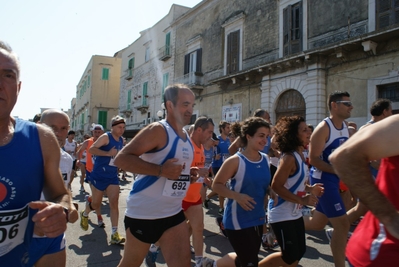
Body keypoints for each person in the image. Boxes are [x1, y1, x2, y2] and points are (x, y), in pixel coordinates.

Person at [0, 40, 77, 266]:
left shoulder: (41, 138)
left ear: (18, 87)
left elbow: (59, 194)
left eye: (8, 75)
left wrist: (61, 211)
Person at [114, 84, 196, 267]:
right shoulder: (158, 130)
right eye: (185, 104)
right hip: (145, 213)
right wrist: (160, 170)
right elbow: (121, 159)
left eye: (192, 105)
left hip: (173, 212)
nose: (190, 110)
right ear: (169, 106)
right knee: (130, 263)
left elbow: (172, 169)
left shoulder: (185, 135)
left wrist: (187, 175)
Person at [329, 114, 399, 266]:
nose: (351, 107)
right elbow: (344, 156)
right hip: (383, 253)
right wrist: (389, 217)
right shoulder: (396, 125)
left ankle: (339, 227)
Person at [207, 117, 272, 267]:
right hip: (237, 220)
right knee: (250, 262)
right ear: (248, 136)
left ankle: (213, 265)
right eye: (261, 136)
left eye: (267, 136)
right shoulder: (236, 161)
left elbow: (262, 183)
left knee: (246, 259)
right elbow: (216, 185)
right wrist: (237, 196)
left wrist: (270, 190)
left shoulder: (265, 159)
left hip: (257, 218)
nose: (265, 140)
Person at [259, 116, 323, 267]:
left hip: (295, 212)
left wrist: (310, 189)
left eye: (308, 129)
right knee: (290, 255)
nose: (309, 132)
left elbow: (295, 183)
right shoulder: (289, 157)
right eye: (304, 130)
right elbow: (276, 186)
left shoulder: (301, 155)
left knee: (299, 252)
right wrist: (303, 200)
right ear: (294, 135)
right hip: (281, 214)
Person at [305, 91, 353, 267]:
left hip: (335, 178)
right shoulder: (323, 128)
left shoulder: (346, 127)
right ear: (334, 105)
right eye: (347, 104)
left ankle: (284, 221)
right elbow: (314, 159)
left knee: (317, 224)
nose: (351, 107)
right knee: (342, 224)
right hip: (323, 181)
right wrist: (337, 170)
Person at [28, 109, 77, 267]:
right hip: (21, 237)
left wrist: (68, 207)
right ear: (39, 126)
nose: (58, 133)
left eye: (63, 128)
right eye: (53, 127)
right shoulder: (20, 154)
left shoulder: (67, 159)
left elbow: (64, 190)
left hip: (53, 237)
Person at [80, 116, 126, 245]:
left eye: (123, 127)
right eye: (119, 127)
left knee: (114, 203)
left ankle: (115, 233)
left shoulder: (121, 140)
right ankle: (85, 213)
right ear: (113, 127)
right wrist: (107, 153)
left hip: (112, 176)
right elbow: (91, 149)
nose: (121, 130)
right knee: (96, 204)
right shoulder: (106, 137)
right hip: (99, 175)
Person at [76, 125, 104, 227]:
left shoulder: (105, 142)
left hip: (102, 172)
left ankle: (89, 199)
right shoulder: (88, 142)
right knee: (97, 196)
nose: (97, 134)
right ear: (92, 133)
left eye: (99, 132)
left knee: (99, 195)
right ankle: (99, 218)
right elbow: (79, 151)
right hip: (91, 171)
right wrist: (79, 159)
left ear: (102, 132)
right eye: (95, 132)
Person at [209, 120, 231, 214]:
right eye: (227, 128)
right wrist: (214, 156)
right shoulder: (217, 140)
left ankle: (207, 197)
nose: (229, 129)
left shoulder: (229, 140)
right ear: (222, 129)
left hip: (226, 166)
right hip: (217, 165)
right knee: (221, 186)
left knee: (224, 186)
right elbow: (208, 151)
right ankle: (221, 208)